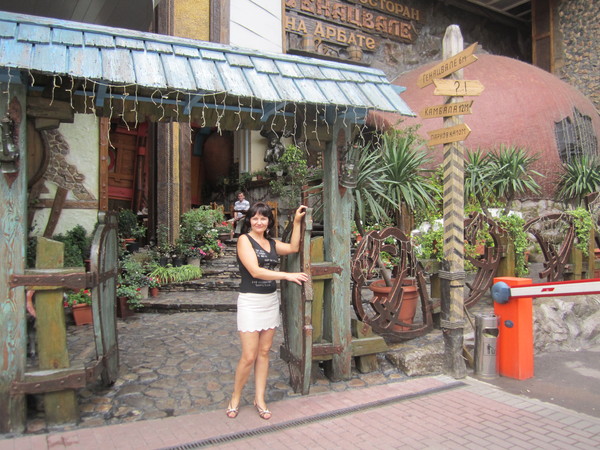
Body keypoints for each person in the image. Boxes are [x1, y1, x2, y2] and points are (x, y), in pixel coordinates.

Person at [226, 202, 308, 420]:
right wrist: (287, 275)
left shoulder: (271, 243)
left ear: (269, 222)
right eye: (255, 218)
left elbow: (293, 248)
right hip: (250, 302)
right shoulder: (245, 240)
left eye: (263, 218)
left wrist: (296, 222)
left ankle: (260, 399)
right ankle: (235, 397)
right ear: (249, 221)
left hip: (269, 301)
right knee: (249, 356)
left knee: (264, 352)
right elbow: (255, 271)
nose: (259, 222)